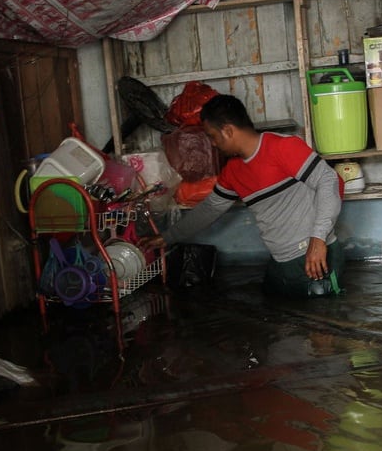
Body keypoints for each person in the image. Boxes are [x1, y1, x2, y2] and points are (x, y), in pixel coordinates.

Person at [138, 94, 345, 298]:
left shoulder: (283, 147)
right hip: (280, 261)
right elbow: (209, 210)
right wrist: (167, 238)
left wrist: (318, 240)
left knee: (324, 321)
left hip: (315, 257)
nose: (212, 144)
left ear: (228, 131)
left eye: (212, 136)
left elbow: (329, 181)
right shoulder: (233, 171)